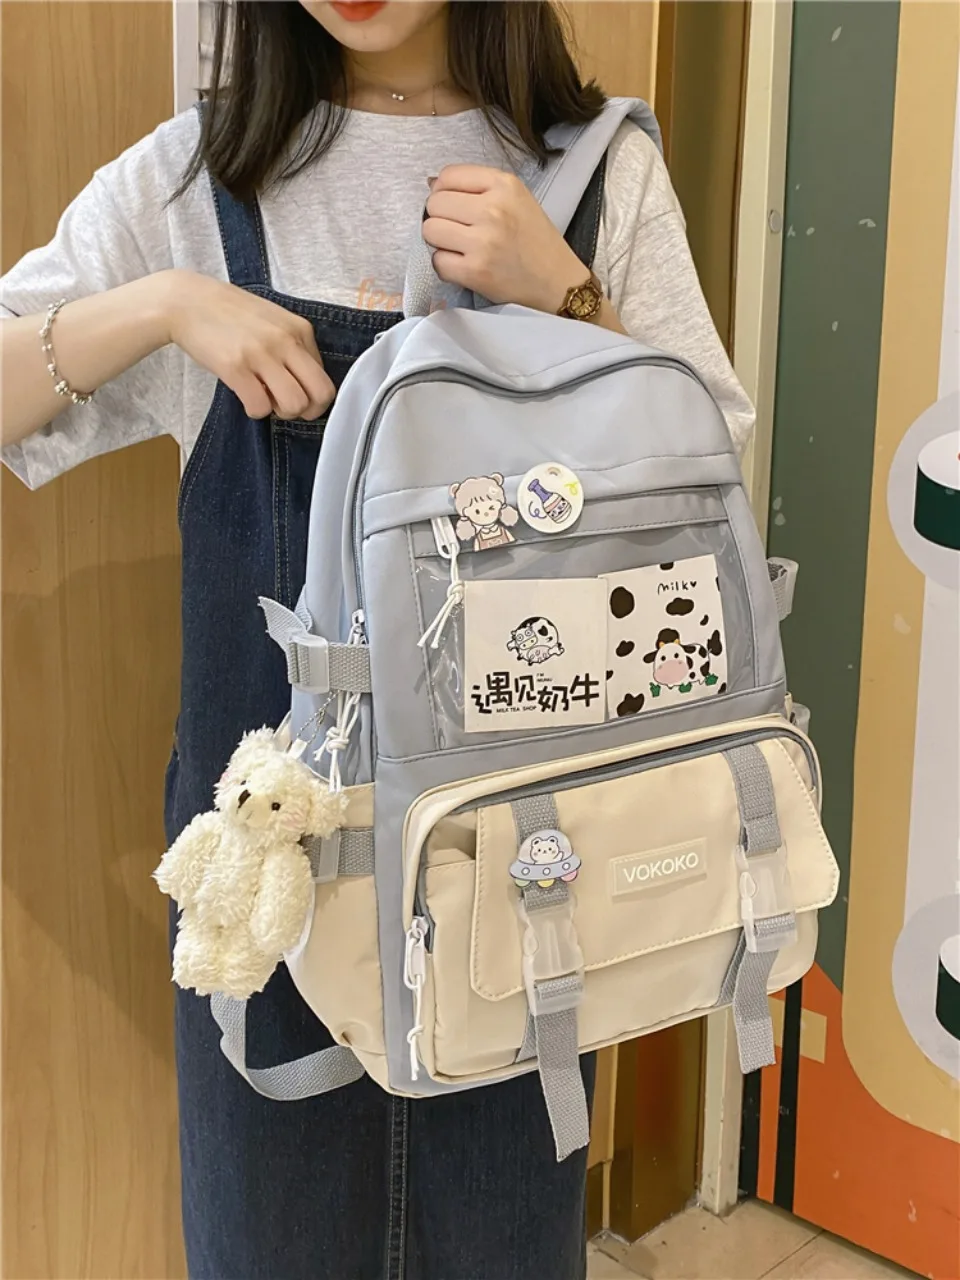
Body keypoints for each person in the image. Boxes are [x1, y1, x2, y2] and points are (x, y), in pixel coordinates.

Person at [0, 3, 755, 1276]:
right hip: (271, 881)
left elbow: (714, 471)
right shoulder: (201, 180)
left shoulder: (593, 171)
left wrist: (569, 300)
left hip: (522, 865)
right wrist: (165, 306)